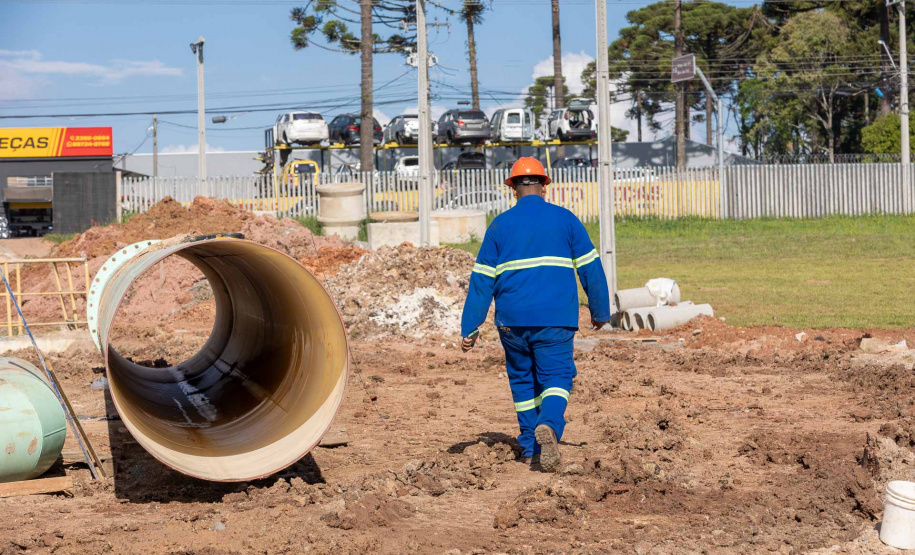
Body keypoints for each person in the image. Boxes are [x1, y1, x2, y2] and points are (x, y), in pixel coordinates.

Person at [460, 157, 611, 472]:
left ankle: (530, 447)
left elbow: (481, 280)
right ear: (544, 185)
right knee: (556, 377)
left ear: (512, 188)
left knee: (522, 381)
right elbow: (591, 269)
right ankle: (551, 427)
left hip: (511, 322)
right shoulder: (566, 219)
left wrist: (470, 327)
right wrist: (600, 311)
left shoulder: (499, 226)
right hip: (556, 319)